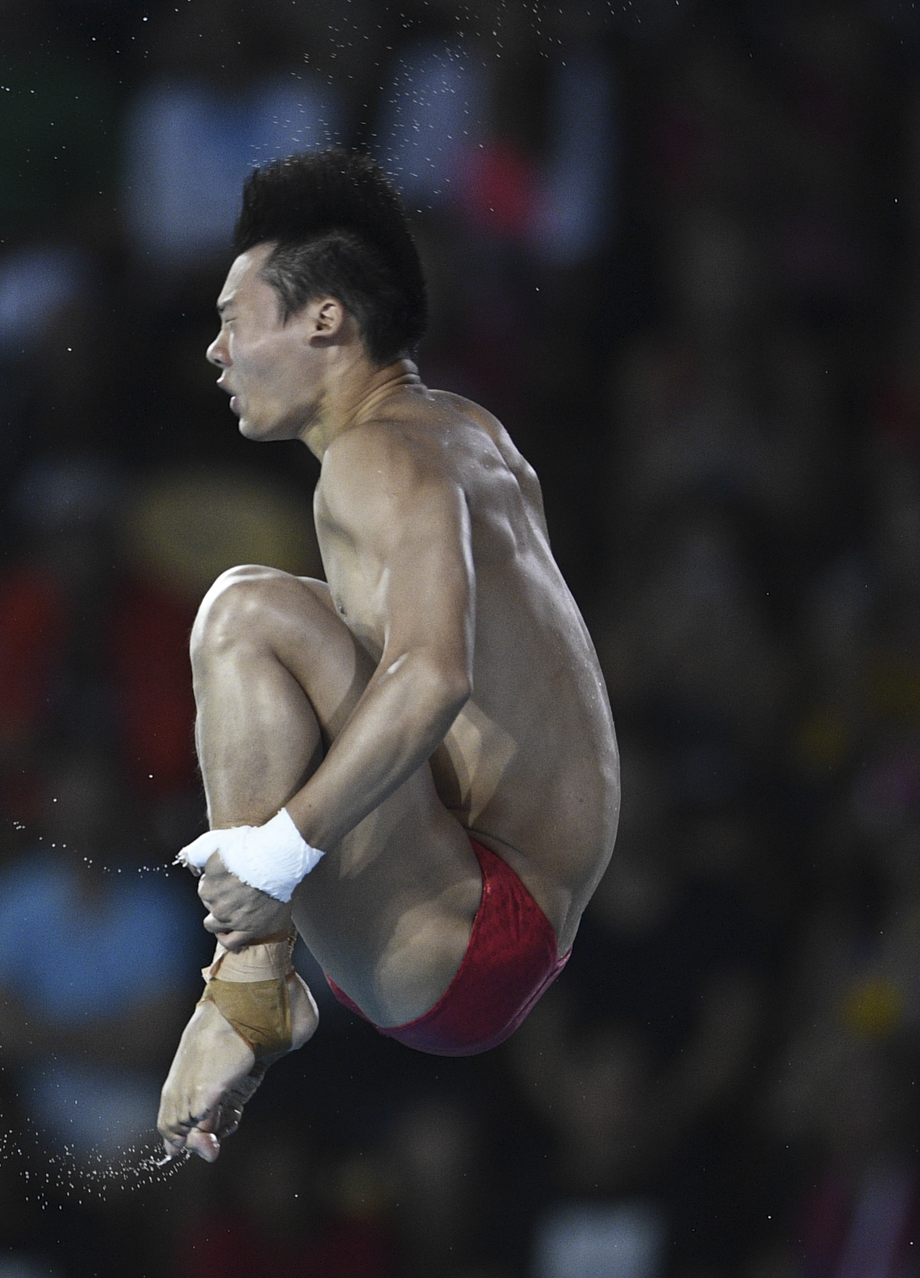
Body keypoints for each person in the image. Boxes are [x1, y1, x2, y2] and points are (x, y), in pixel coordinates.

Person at [156, 150, 619, 1161]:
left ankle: (248, 981)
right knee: (283, 613)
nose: (215, 352)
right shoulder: (467, 430)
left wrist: (274, 856)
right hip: (513, 909)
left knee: (241, 611)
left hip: (470, 924)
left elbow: (436, 677)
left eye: (236, 319)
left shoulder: (374, 460)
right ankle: (260, 977)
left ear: (324, 319)